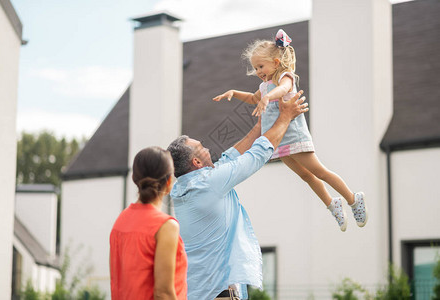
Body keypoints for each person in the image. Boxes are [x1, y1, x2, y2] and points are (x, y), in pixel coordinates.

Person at [213, 29, 368, 231]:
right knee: (306, 176)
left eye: (261, 66)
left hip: (294, 136)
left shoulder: (285, 77)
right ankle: (332, 204)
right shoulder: (264, 87)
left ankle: (353, 199)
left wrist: (270, 97)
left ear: (275, 63)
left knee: (319, 171)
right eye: (255, 68)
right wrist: (234, 93)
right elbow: (253, 99)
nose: (258, 71)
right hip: (279, 141)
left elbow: (284, 90)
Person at [168, 90, 308, 300]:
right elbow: (256, 155)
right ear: (196, 162)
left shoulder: (183, 190)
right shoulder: (209, 184)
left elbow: (229, 158)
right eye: (201, 147)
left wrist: (261, 125)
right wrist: (285, 117)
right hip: (220, 295)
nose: (207, 148)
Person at [110, 147, 187, 300]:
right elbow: (163, 293)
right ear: (169, 182)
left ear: (134, 178)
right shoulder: (166, 226)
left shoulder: (120, 221)